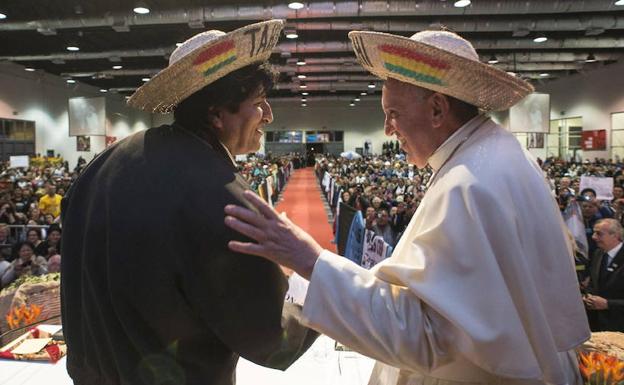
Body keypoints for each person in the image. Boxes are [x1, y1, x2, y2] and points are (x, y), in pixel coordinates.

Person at [224, 30, 590, 385]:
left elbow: (430, 338)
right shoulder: (497, 156)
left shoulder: (469, 184)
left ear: (436, 109)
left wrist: (310, 262)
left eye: (393, 113)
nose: (387, 130)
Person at [61, 20, 316, 385]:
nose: (269, 116)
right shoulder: (222, 193)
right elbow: (272, 339)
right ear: (216, 114)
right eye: (259, 103)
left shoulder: (104, 162)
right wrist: (309, 286)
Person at [584, 218, 624, 331]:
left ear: (615, 235)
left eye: (599, 234)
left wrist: (608, 304)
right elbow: (593, 282)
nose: (593, 237)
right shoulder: (598, 254)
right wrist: (588, 296)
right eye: (594, 233)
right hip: (597, 326)